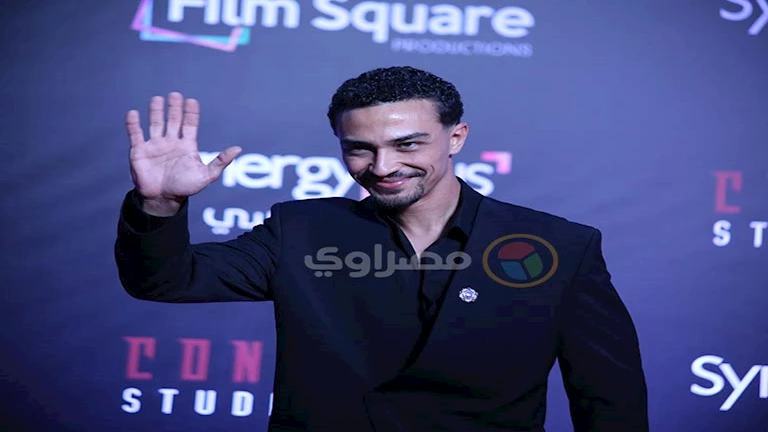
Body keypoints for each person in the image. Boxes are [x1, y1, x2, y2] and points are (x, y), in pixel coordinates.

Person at [115, 66, 648, 431]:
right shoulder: (299, 229)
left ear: (456, 138)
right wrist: (160, 203)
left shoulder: (561, 246)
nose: (384, 167)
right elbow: (166, 280)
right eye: (360, 149)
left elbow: (608, 396)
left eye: (407, 144)